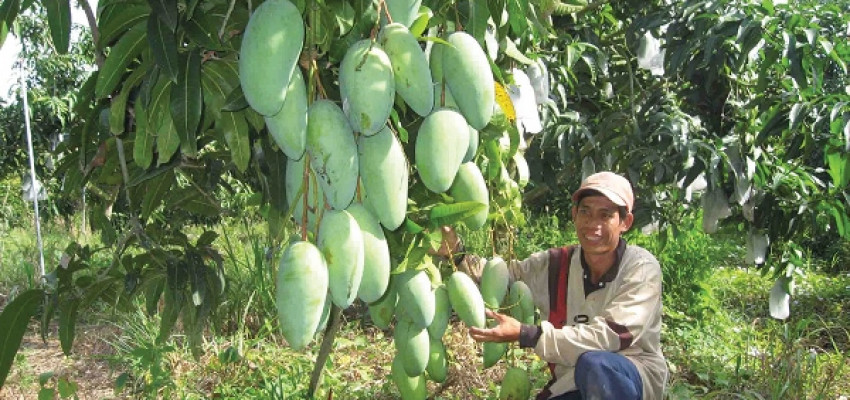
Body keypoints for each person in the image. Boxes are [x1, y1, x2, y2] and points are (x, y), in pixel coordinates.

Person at [438, 171, 667, 400]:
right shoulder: (557, 264)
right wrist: (456, 252)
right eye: (585, 212)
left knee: (596, 364)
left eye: (605, 215)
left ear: (625, 222)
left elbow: (611, 337)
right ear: (574, 214)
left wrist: (527, 334)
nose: (592, 224)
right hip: (571, 381)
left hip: (630, 378)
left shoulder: (641, 268)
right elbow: (502, 277)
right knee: (588, 368)